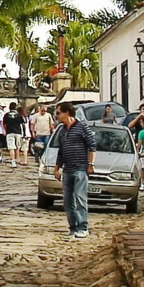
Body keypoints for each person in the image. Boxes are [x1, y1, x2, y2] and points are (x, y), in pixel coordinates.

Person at [53, 100, 96, 240]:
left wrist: (91, 164)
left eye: (59, 113)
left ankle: (83, 227)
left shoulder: (82, 127)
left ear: (66, 113)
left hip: (80, 168)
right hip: (68, 169)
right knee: (67, 201)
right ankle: (73, 227)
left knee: (80, 198)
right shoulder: (62, 130)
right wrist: (57, 168)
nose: (57, 116)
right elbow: (61, 151)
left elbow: (92, 145)